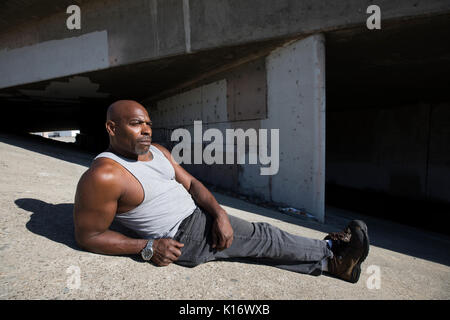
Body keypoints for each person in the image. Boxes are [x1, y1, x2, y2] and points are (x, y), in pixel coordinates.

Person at [73, 100, 369, 283]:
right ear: (111, 128)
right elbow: (88, 236)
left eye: (148, 123)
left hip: (198, 216)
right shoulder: (104, 175)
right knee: (265, 237)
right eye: (136, 124)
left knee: (258, 248)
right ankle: (334, 255)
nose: (147, 130)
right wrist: (148, 246)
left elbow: (193, 184)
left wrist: (219, 213)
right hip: (183, 237)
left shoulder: (158, 151)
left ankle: (331, 265)